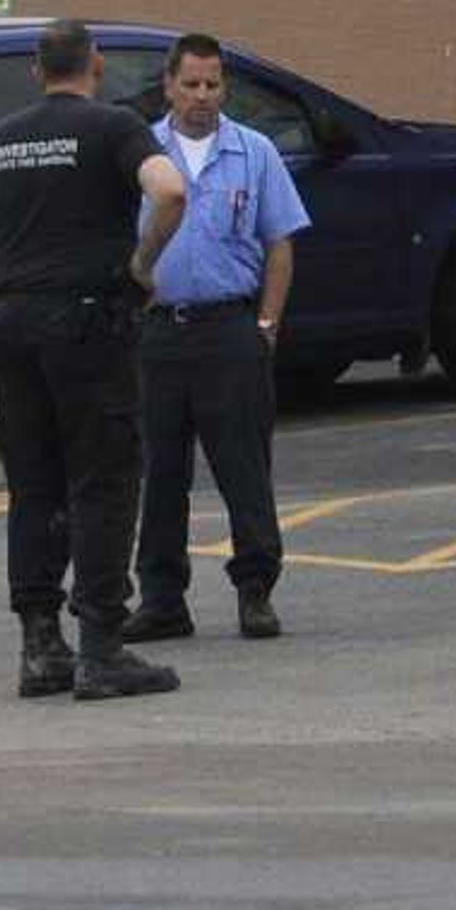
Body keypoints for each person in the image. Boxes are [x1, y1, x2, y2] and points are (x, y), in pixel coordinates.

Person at [0, 19, 188, 703]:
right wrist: (139, 267)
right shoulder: (112, 127)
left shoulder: (6, 136)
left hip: (15, 326)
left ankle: (40, 646)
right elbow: (170, 191)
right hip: (88, 322)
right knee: (103, 479)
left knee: (34, 483)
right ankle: (103, 646)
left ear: (36, 70)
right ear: (95, 64)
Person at [129, 31, 310, 644]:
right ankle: (161, 598)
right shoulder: (142, 152)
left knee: (244, 468)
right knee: (160, 471)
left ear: (224, 88)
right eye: (191, 85)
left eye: (212, 85)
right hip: (159, 331)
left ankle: (255, 590)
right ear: (169, 86)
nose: (202, 97)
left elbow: (280, 242)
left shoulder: (253, 152)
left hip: (229, 327)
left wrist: (267, 324)